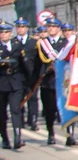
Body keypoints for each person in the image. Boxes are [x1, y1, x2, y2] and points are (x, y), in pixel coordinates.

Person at [32, 19, 66, 146]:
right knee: (49, 110)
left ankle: (70, 134)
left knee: (65, 109)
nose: (51, 28)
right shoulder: (42, 44)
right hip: (48, 82)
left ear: (58, 28)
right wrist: (35, 80)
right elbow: (37, 63)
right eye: (49, 26)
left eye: (54, 26)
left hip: (63, 82)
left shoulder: (66, 43)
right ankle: (51, 133)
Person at [0, 22, 28, 150]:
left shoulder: (18, 45)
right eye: (1, 32)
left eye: (6, 32)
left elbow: (24, 65)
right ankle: (5, 138)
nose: (3, 35)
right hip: (1, 83)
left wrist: (27, 82)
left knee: (16, 109)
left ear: (11, 34)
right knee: (1, 114)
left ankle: (18, 137)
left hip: (16, 82)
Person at [13, 18, 37, 131]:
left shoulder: (34, 42)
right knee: (19, 99)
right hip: (18, 76)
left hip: (31, 75)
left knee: (32, 98)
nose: (20, 29)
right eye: (18, 27)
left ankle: (33, 120)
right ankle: (20, 120)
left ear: (27, 28)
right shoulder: (13, 43)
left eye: (22, 27)